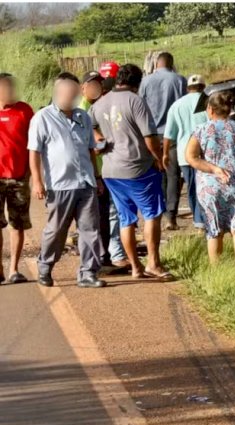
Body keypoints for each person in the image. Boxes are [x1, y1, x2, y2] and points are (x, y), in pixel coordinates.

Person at [89, 63, 174, 281]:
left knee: (126, 219)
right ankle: (153, 263)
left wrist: (100, 139)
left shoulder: (100, 103)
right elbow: (149, 138)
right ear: (138, 82)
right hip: (138, 168)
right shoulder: (136, 101)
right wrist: (159, 158)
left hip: (111, 171)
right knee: (151, 214)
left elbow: (89, 125)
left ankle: (136, 267)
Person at [28, 72, 106, 288]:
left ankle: (88, 273)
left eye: (73, 92)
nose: (69, 96)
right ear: (57, 93)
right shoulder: (42, 118)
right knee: (56, 231)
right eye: (65, 92)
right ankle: (45, 267)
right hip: (60, 185)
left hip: (86, 183)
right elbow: (34, 152)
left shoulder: (83, 116)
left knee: (91, 229)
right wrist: (37, 181)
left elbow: (90, 150)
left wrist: (97, 177)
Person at [185, 91, 235, 264]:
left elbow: (191, 157)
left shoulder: (201, 130)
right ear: (230, 109)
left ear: (210, 109)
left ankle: (216, 270)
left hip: (209, 186)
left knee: (213, 228)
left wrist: (213, 168)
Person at [139, 52, 186, 230]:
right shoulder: (180, 80)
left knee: (155, 175)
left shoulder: (145, 81)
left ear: (155, 64)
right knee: (173, 174)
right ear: (172, 64)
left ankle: (155, 213)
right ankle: (171, 216)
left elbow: (140, 106)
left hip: (151, 134)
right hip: (173, 134)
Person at [0, 73, 34, 285]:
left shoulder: (25, 111)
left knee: (17, 224)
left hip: (19, 177)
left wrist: (32, 174)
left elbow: (34, 144)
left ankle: (14, 269)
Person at [163, 74, 208, 231]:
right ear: (203, 87)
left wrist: (165, 154)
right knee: (205, 186)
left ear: (188, 88)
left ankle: (197, 220)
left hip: (184, 154)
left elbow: (168, 134)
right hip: (206, 154)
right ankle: (204, 219)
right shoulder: (209, 102)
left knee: (192, 187)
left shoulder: (177, 105)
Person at [96, 61, 128, 269]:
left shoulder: (105, 104)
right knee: (113, 212)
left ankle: (110, 253)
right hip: (102, 169)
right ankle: (113, 253)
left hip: (110, 166)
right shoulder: (88, 107)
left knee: (113, 212)